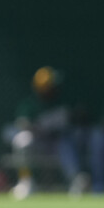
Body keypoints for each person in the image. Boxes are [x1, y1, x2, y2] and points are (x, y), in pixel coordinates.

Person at [8, 66, 90, 200]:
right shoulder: (31, 103)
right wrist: (39, 128)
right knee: (21, 141)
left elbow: (79, 115)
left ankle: (76, 182)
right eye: (52, 85)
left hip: (57, 142)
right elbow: (22, 123)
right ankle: (26, 182)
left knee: (66, 144)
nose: (55, 88)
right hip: (39, 141)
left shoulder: (62, 100)